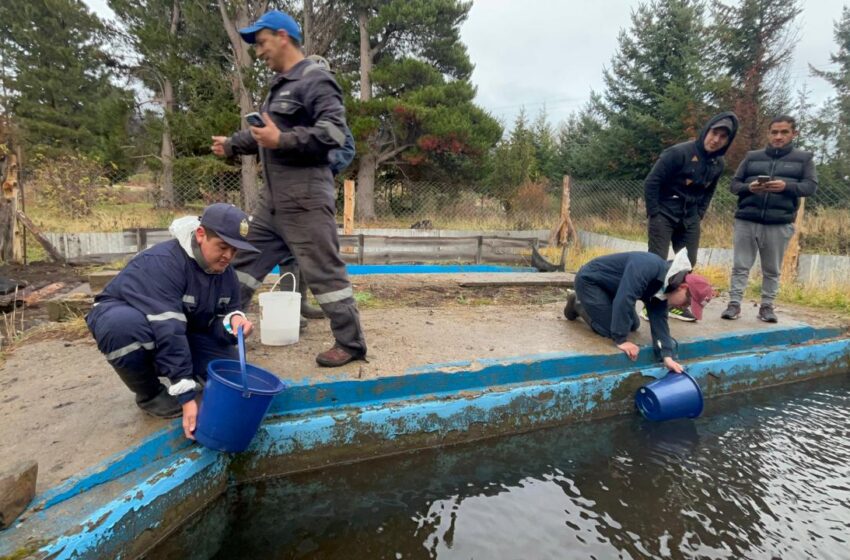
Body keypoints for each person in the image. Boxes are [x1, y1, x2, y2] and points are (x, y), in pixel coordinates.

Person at [211, 10, 367, 367]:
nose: (259, 51)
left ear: (283, 37)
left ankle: (351, 342)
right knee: (244, 266)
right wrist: (233, 144)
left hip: (307, 198)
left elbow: (334, 133)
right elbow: (263, 134)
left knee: (324, 272)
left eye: (262, 42)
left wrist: (282, 139)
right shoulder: (281, 85)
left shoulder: (316, 81)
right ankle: (223, 333)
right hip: (274, 203)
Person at [86, 204, 258, 440]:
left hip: (180, 329)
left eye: (235, 250)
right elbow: (168, 329)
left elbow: (222, 316)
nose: (228, 256)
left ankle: (183, 374)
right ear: (200, 235)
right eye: (222, 247)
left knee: (229, 376)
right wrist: (187, 398)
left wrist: (233, 323)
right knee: (123, 327)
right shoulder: (164, 262)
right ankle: (150, 394)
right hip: (127, 317)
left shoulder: (225, 273)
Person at [282, 53, 357, 322]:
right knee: (287, 249)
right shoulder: (288, 105)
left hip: (315, 191)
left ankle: (303, 305)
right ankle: (290, 308)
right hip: (286, 190)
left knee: (314, 250)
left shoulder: (330, 110)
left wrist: (323, 167)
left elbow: (347, 148)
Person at [721, 115, 818, 323]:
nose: (778, 136)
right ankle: (734, 304)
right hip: (747, 219)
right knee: (740, 265)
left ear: (794, 134)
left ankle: (767, 306)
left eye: (784, 132)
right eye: (774, 132)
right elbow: (734, 185)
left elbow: (810, 187)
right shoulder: (752, 156)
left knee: (772, 269)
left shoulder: (804, 159)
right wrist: (750, 187)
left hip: (779, 222)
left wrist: (787, 187)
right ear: (768, 133)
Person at [644, 112, 738, 321]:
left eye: (723, 137)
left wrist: (700, 214)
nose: (716, 140)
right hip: (665, 212)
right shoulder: (678, 153)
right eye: (714, 133)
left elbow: (709, 192)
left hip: (690, 216)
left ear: (727, 141)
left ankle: (674, 303)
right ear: (707, 130)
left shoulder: (718, 164)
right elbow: (652, 182)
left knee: (686, 262)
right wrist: (654, 213)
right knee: (657, 261)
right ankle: (651, 304)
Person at [564, 249, 714, 372]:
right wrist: (620, 340)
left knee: (632, 325)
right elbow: (625, 298)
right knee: (611, 329)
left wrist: (666, 355)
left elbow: (659, 318)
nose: (684, 307)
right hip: (591, 281)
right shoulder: (648, 267)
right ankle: (577, 303)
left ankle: (596, 305)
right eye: (687, 302)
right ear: (683, 287)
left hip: (613, 289)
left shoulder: (666, 284)